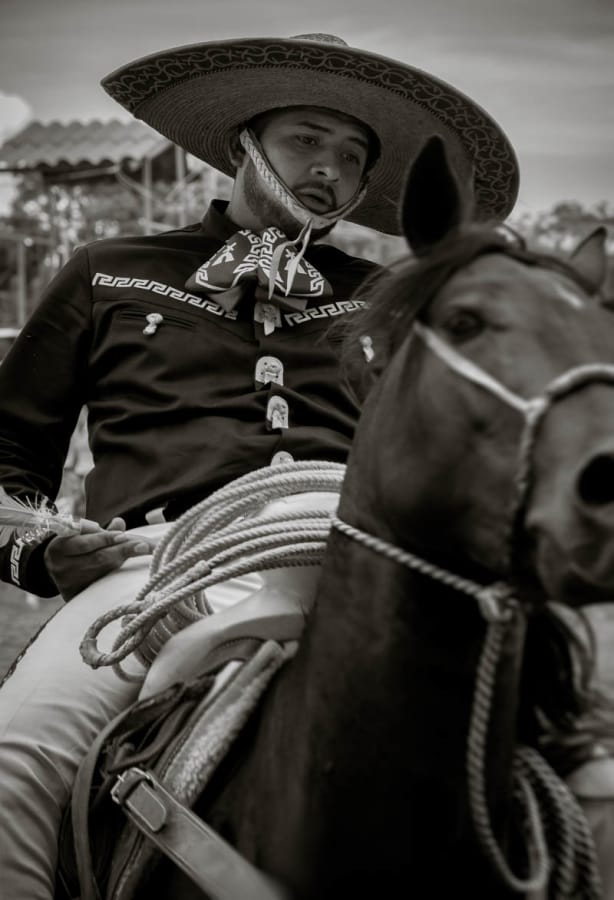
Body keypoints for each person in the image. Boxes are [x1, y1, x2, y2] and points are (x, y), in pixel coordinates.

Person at [0, 32, 518, 897]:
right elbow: (9, 449)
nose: (329, 168)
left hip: (351, 566)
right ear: (245, 142)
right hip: (152, 574)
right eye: (306, 140)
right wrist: (38, 551)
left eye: (352, 155)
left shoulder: (392, 303)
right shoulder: (108, 272)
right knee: (13, 762)